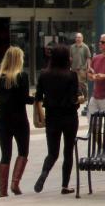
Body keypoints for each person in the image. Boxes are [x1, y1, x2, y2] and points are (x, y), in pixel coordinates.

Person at [0, 46, 32, 197]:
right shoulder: (22, 76)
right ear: (19, 59)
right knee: (23, 151)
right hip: (19, 119)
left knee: (5, 154)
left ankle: (2, 191)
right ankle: (15, 183)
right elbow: (25, 99)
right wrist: (38, 99)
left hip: (3, 120)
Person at [34, 44, 80, 194]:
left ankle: (45, 172)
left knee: (52, 152)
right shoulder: (71, 75)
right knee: (68, 151)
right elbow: (74, 98)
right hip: (69, 116)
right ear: (67, 58)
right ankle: (65, 186)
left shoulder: (44, 74)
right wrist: (79, 100)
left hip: (52, 117)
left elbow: (38, 96)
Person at [69, 33, 91, 110]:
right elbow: (70, 58)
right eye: (77, 37)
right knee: (75, 84)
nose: (78, 39)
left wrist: (89, 67)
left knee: (82, 84)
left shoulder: (85, 47)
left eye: (79, 37)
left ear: (82, 38)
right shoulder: (72, 47)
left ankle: (86, 97)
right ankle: (78, 98)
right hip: (74, 68)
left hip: (82, 69)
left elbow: (88, 58)